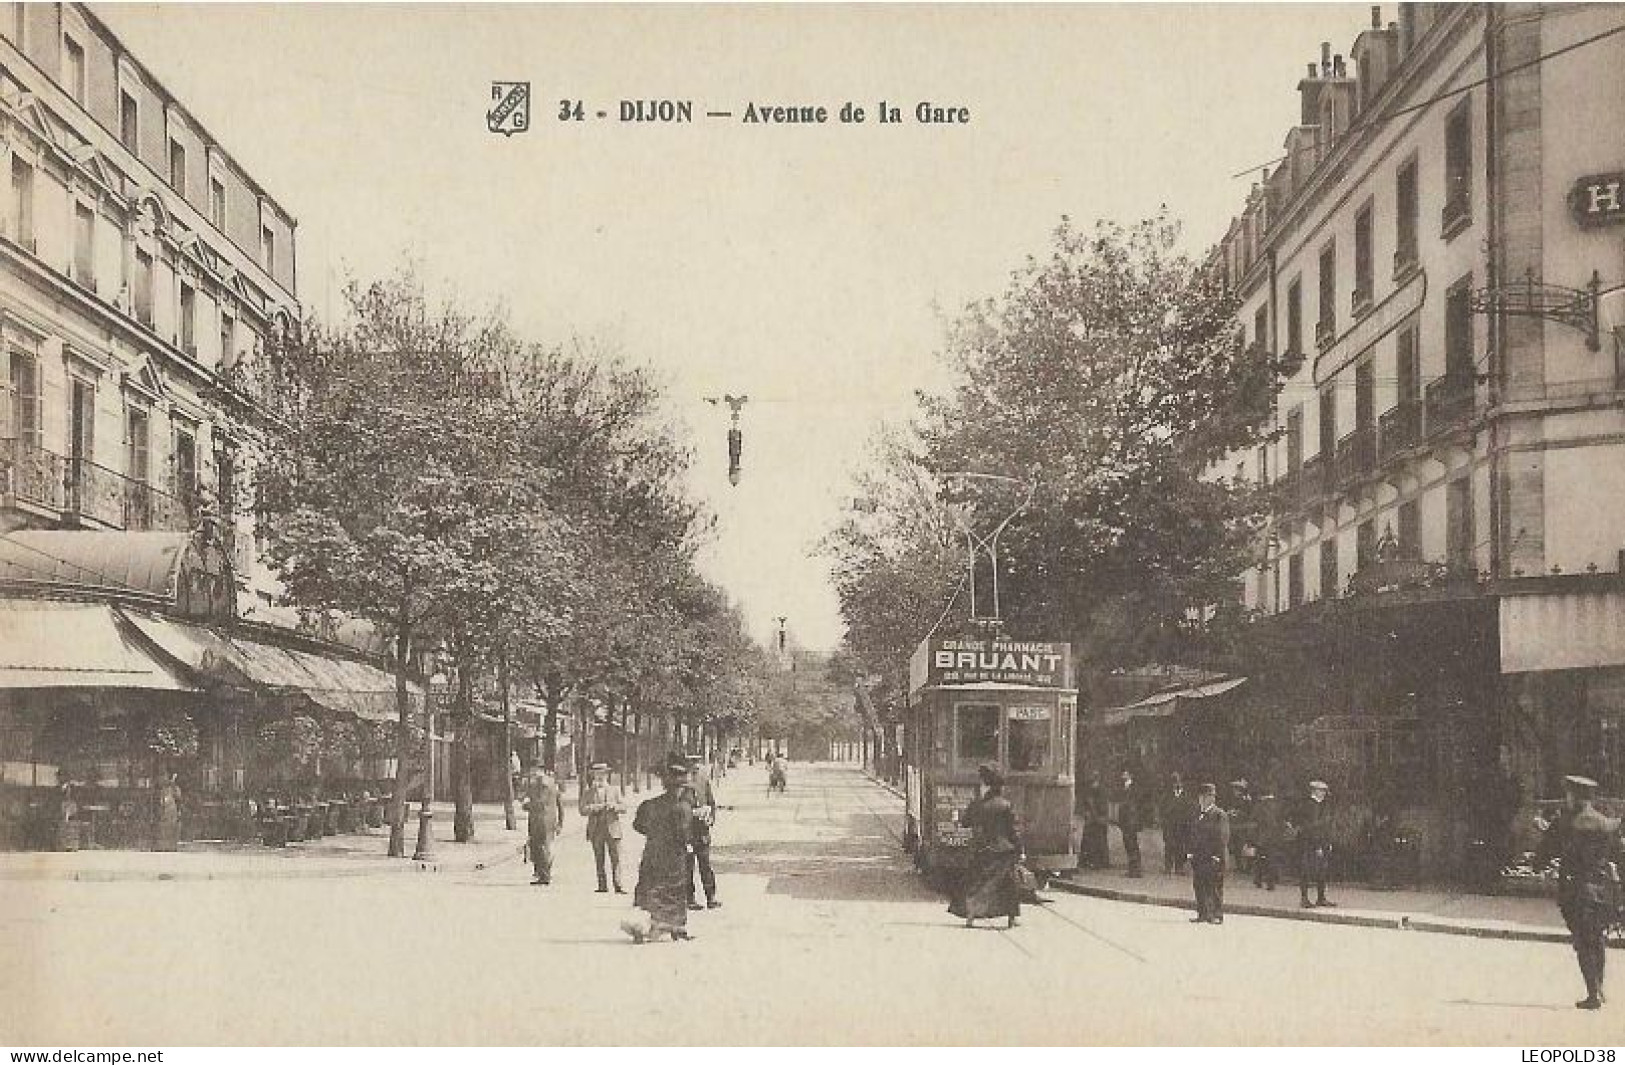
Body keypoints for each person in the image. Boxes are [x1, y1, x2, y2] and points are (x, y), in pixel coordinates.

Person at [1535, 774, 1624, 1010]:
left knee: (1583, 942)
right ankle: (1600, 988)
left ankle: (1592, 995)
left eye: (1568, 794)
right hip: (1604, 890)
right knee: (1597, 939)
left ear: (1573, 795)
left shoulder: (1565, 823)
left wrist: (1541, 855)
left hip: (1576, 891)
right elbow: (1618, 855)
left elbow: (1544, 854)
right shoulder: (1606, 823)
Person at [621, 756, 696, 944]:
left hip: (652, 852)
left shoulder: (649, 805)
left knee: (648, 886)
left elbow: (638, 826)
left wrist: (654, 835)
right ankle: (674, 927)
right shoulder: (683, 808)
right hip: (673, 855)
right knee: (674, 889)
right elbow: (685, 834)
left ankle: (642, 925)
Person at [949, 763, 1025, 929]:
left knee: (975, 882)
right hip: (1004, 852)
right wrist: (1020, 850)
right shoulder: (1006, 805)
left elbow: (964, 823)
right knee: (1009, 884)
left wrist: (957, 817)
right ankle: (1012, 918)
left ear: (985, 785)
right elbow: (1014, 832)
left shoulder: (977, 805)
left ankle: (970, 915)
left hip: (982, 850)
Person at [1290, 779, 1336, 909]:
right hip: (1309, 842)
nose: (1324, 793)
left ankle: (1321, 898)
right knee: (1306, 869)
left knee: (1322, 871)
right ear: (1314, 791)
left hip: (1322, 841)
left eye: (1324, 791)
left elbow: (1326, 826)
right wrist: (1317, 846)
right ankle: (1304, 898)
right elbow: (1310, 827)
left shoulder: (1323, 805)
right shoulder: (1308, 805)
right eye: (1321, 790)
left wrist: (1327, 842)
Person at [683, 753, 721, 910]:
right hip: (688, 831)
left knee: (705, 864)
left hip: (702, 830)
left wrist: (710, 817)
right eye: (692, 763)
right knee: (687, 866)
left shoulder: (704, 780)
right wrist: (691, 813)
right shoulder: (681, 784)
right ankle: (689, 899)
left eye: (697, 763)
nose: (696, 766)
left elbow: (711, 802)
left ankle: (710, 897)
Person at [1189, 783, 1230, 924]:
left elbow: (1222, 837)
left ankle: (1216, 914)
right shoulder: (1198, 814)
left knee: (1214, 886)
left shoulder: (1219, 814)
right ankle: (1203, 913)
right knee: (1199, 884)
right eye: (1203, 796)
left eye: (1209, 796)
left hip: (1213, 857)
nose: (1205, 799)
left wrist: (1217, 856)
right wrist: (1191, 852)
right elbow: (1193, 835)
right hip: (1200, 856)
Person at [580, 762, 625, 894]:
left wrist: (614, 806)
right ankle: (602, 885)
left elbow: (623, 807)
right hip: (596, 829)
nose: (600, 777)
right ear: (593, 775)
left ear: (607, 775)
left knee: (616, 858)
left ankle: (618, 885)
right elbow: (582, 809)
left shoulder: (614, 790)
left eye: (602, 774)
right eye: (597, 774)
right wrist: (594, 808)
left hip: (613, 828)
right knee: (599, 858)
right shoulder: (588, 792)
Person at [524, 765, 566, 886]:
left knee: (541, 847)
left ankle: (544, 875)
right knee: (544, 847)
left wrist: (526, 806)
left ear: (538, 771)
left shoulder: (543, 785)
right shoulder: (552, 783)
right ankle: (543, 873)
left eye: (533, 771)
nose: (532, 774)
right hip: (548, 821)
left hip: (541, 821)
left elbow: (540, 803)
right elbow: (560, 805)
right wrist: (560, 823)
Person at [1251, 782, 1285, 890]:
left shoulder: (1260, 805)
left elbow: (1254, 819)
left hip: (1262, 837)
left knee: (1260, 859)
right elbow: (1281, 820)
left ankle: (1258, 879)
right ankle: (1271, 883)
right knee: (1272, 859)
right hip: (1274, 836)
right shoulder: (1278, 805)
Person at [1160, 773, 1193, 874]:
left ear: (1182, 783)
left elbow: (1190, 811)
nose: (1177, 784)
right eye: (1174, 782)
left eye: (1179, 782)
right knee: (1169, 846)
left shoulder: (1187, 796)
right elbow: (1162, 810)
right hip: (1170, 825)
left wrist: (1188, 823)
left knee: (1180, 846)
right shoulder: (1167, 796)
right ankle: (1168, 867)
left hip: (1182, 826)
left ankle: (1179, 867)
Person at [1115, 767, 1144, 878]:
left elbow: (1133, 806)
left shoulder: (1134, 788)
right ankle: (1132, 868)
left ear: (1130, 775)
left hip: (1131, 821)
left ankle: (1135, 869)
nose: (1123, 775)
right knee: (1128, 844)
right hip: (1126, 821)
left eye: (1125, 774)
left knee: (1132, 844)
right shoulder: (1124, 787)